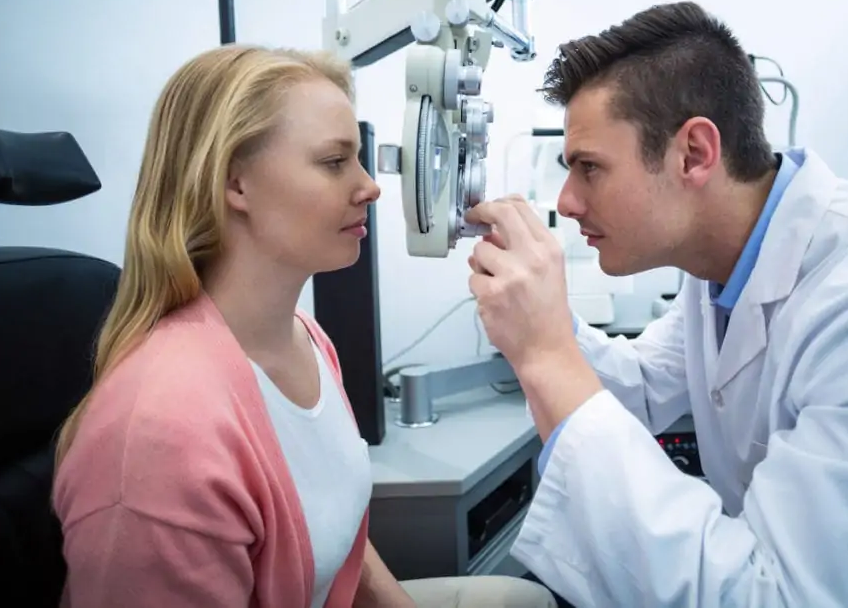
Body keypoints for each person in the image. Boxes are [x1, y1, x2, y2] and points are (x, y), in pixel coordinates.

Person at [464, 1, 848, 608]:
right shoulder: (720, 268)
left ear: (694, 153)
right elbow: (641, 387)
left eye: (590, 168)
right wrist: (537, 317)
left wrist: (546, 353)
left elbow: (784, 599)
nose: (565, 201)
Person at [52, 45, 556, 608]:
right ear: (235, 184)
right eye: (334, 162)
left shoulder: (306, 341)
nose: (370, 186)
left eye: (359, 159)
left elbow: (339, 542)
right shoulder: (157, 436)